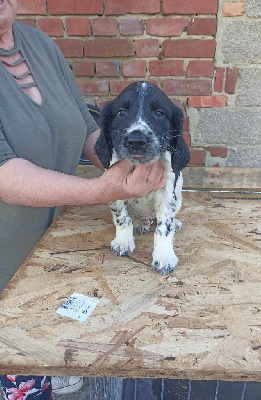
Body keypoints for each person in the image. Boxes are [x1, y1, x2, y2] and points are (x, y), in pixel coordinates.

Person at [0, 0, 166, 398]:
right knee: (22, 377)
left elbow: (88, 125)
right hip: (4, 267)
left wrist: (130, 160)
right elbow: (4, 174)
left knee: (58, 360)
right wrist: (101, 190)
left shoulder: (38, 45)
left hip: (49, 251)